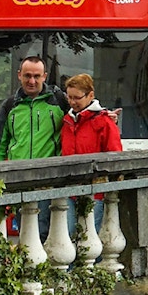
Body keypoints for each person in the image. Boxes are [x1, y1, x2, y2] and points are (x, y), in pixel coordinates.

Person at [0, 56, 69, 240]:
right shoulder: (9, 106)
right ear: (19, 76)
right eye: (27, 76)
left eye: (37, 76)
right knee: (26, 233)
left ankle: (40, 269)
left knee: (43, 232)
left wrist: (106, 116)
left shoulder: (58, 101)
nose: (32, 81)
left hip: (49, 177)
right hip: (19, 179)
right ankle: (32, 269)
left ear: (45, 76)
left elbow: (83, 112)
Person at [61, 74, 123, 238]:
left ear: (90, 95)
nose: (73, 102)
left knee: (89, 236)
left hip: (95, 191)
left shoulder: (104, 122)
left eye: (77, 98)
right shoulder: (67, 120)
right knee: (66, 235)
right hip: (69, 189)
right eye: (70, 97)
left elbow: (115, 157)